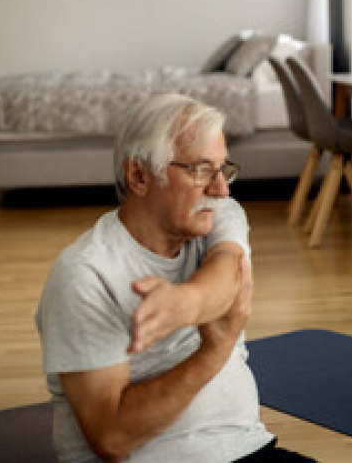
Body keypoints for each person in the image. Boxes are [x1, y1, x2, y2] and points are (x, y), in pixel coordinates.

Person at [36, 93, 315, 462]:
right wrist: (213, 351)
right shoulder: (85, 274)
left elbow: (227, 270)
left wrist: (182, 304)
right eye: (201, 170)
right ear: (139, 176)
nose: (221, 189)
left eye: (223, 169)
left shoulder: (219, 214)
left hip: (249, 449)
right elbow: (112, 438)